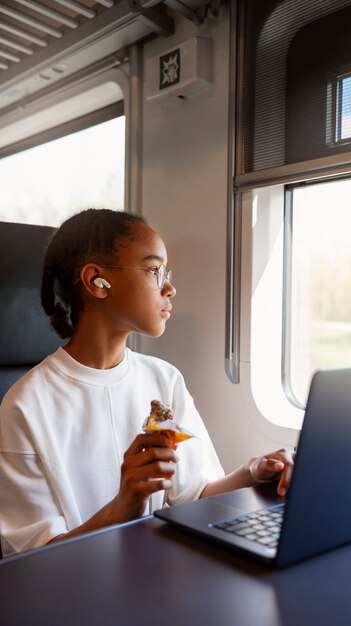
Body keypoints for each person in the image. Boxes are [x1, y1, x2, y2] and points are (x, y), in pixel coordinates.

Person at [0, 209, 295, 556]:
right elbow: (33, 560)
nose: (169, 287)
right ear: (97, 280)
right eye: (154, 270)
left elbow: (192, 495)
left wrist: (253, 472)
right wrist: (124, 505)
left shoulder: (164, 378)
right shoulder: (25, 407)